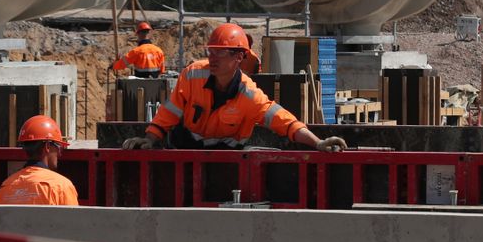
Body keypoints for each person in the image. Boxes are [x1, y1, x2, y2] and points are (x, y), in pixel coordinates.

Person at [122, 23, 347, 152]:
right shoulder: (193, 75)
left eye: (220, 52)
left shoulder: (250, 95)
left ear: (239, 57)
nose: (212, 58)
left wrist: (318, 143)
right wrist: (150, 138)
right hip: (185, 150)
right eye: (210, 51)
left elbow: (285, 123)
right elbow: (169, 113)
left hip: (225, 159)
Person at [0, 115, 79, 205]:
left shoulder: (5, 187)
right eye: (59, 148)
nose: (59, 153)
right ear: (47, 147)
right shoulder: (61, 187)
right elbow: (73, 219)